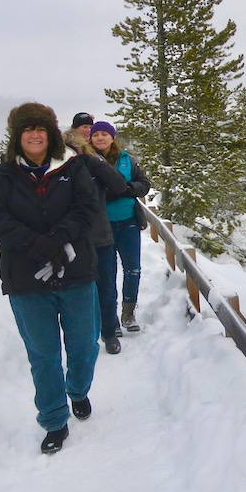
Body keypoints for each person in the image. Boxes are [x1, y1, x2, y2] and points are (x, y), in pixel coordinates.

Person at [0, 102, 100, 454]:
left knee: (83, 345)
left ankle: (77, 389)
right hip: (27, 279)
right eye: (27, 129)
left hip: (75, 271)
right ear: (17, 136)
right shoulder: (2, 176)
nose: (34, 134)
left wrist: (59, 236)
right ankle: (54, 419)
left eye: (40, 128)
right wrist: (35, 243)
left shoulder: (73, 168)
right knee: (44, 354)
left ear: (50, 133)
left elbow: (87, 207)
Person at [63, 127, 128, 355]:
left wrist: (94, 160)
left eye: (77, 149)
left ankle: (109, 332)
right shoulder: (57, 170)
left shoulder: (93, 163)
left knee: (106, 288)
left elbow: (119, 185)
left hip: (99, 236)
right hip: (70, 240)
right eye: (69, 150)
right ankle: (83, 336)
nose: (73, 154)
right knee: (76, 292)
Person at [89, 121, 151, 333]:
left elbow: (144, 185)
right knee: (106, 273)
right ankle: (110, 320)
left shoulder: (127, 160)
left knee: (132, 269)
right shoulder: (87, 161)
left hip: (128, 223)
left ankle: (128, 312)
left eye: (104, 134)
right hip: (101, 226)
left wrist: (125, 189)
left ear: (112, 137)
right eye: (96, 134)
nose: (100, 138)